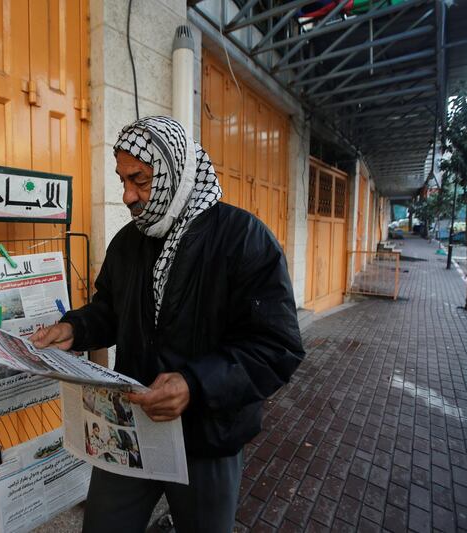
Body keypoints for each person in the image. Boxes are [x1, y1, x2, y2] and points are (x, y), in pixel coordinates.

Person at [30, 116, 305, 533]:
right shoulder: (129, 242)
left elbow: (276, 346)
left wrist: (195, 384)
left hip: (208, 436)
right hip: (132, 427)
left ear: (174, 170)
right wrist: (76, 328)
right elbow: (112, 309)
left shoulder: (244, 239)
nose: (127, 195)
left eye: (139, 180)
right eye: (122, 180)